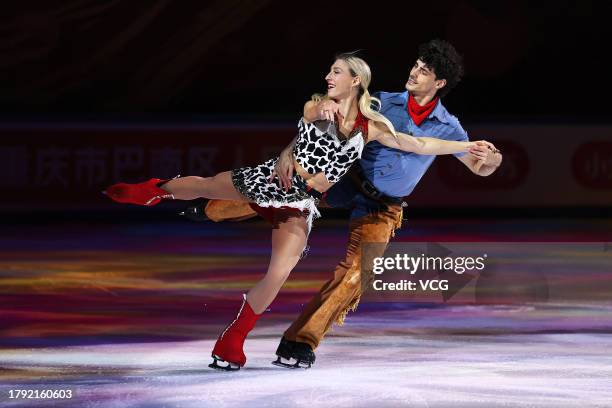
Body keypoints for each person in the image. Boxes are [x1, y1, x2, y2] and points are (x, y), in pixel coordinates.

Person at [105, 51, 486, 371]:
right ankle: (156, 191)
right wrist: (301, 145)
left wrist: (466, 148)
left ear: (355, 80)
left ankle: (232, 340)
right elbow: (310, 118)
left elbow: (416, 143)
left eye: (336, 71)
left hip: (304, 202)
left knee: (280, 272)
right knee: (207, 186)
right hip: (272, 181)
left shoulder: (374, 124)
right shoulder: (320, 104)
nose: (328, 75)